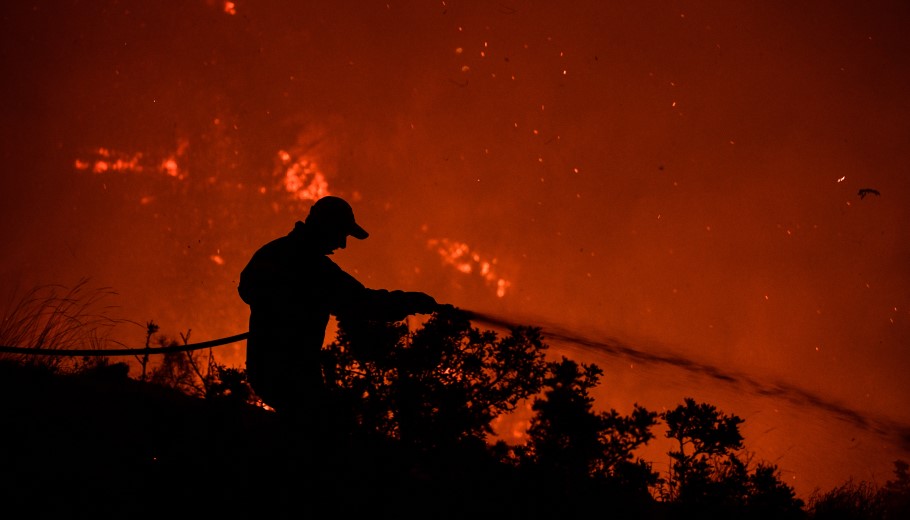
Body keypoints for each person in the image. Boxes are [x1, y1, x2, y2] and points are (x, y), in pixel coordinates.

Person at [238, 195, 438, 435]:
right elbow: (362, 302)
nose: (343, 244)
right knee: (326, 435)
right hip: (291, 373)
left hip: (267, 369)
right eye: (342, 234)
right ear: (327, 228)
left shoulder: (273, 252)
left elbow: (246, 289)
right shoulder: (314, 268)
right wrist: (409, 301)